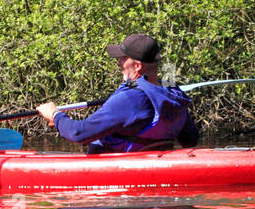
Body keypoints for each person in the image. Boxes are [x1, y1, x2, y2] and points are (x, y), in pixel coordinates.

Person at [36, 34, 199, 153]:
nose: (119, 62)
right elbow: (190, 140)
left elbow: (78, 133)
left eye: (123, 58)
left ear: (137, 66)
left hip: (117, 174)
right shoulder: (173, 94)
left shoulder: (130, 99)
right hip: (152, 164)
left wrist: (55, 115)